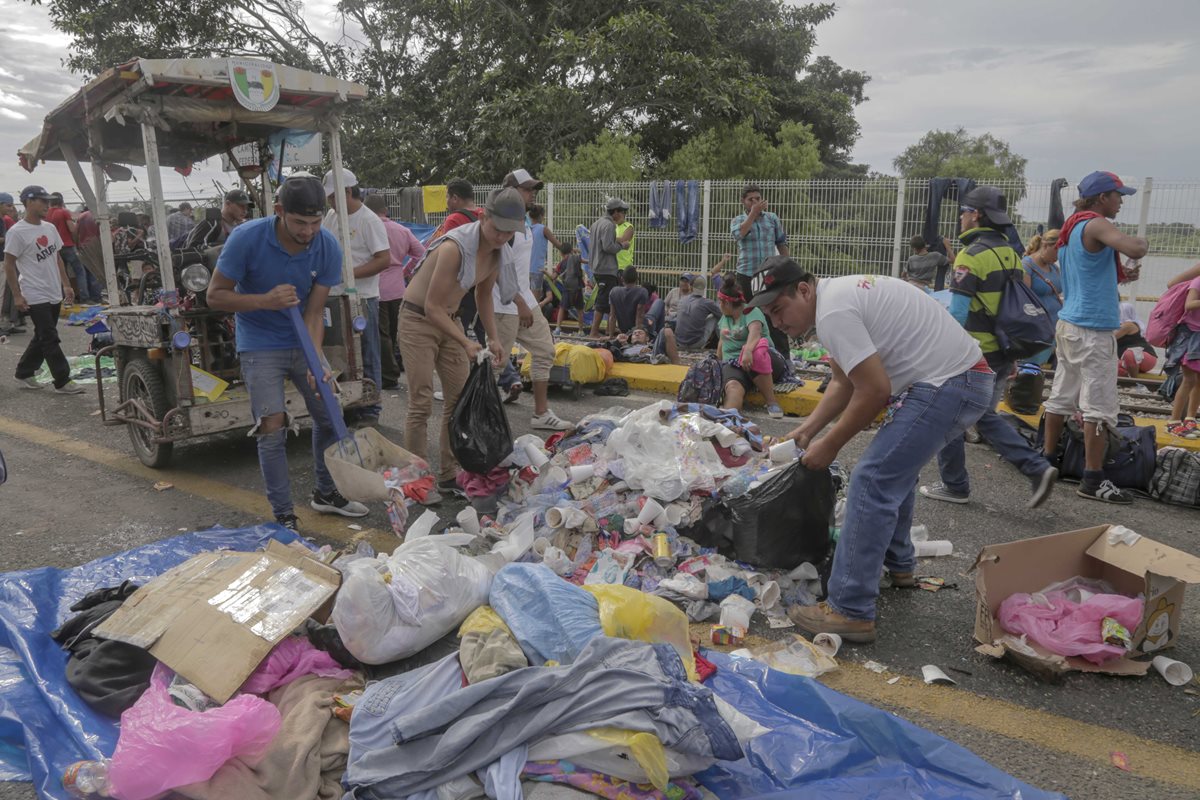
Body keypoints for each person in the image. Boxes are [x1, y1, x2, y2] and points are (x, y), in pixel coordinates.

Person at [750, 258, 993, 642]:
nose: (777, 322)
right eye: (769, 315)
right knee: (896, 471)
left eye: (778, 310)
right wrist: (808, 430)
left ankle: (850, 609)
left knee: (872, 479)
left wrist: (829, 445)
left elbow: (874, 391)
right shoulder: (834, 301)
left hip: (948, 383)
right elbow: (843, 383)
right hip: (963, 379)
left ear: (803, 290)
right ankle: (900, 564)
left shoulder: (833, 313)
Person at [206, 174, 368, 530]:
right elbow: (215, 296)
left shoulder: (327, 247)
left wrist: (315, 360)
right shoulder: (246, 238)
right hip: (259, 343)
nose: (308, 232)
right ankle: (283, 515)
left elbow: (314, 312)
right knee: (272, 425)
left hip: (302, 339)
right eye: (299, 223)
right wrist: (264, 300)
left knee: (329, 412)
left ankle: (326, 494)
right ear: (279, 211)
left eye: (314, 222)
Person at [919, 186, 1058, 508]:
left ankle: (1032, 467)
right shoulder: (1011, 253)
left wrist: (941, 350)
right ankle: (955, 483)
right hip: (1002, 350)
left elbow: (958, 313)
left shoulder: (971, 255)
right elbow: (1010, 306)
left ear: (976, 215)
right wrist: (1010, 356)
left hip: (973, 351)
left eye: (964, 211)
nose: (961, 217)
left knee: (967, 413)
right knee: (962, 415)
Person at [397, 188, 520, 493]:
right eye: (497, 229)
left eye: (509, 232)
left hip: (449, 322)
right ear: (483, 216)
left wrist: (493, 338)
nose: (502, 237)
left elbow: (482, 296)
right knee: (421, 402)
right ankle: (417, 480)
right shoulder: (455, 248)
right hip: (418, 319)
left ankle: (448, 474)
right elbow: (431, 307)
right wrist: (466, 342)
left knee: (458, 400)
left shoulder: (496, 253)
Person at [1040, 171, 1149, 504]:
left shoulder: (1073, 226)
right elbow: (1136, 247)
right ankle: (1093, 478)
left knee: (1061, 395)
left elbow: (1087, 270)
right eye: (1119, 196)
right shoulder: (1096, 222)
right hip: (1093, 329)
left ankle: (1046, 462)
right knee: (1098, 407)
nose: (1121, 202)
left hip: (1070, 323)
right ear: (1102, 197)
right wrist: (1142, 243)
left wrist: (1121, 275)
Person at [493, 169, 573, 431]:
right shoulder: (502, 223)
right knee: (496, 364)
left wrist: (524, 300)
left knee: (545, 352)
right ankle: (475, 413)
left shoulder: (525, 223)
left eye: (533, 189)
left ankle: (541, 414)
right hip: (502, 305)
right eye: (527, 189)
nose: (532, 193)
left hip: (523, 300)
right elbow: (494, 271)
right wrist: (518, 302)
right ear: (510, 191)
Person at [323, 169, 390, 427]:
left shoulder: (368, 220)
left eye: (332, 197)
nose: (330, 203)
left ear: (348, 192)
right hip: (333, 297)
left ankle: (370, 409)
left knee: (367, 354)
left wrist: (347, 275)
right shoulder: (331, 216)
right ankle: (349, 405)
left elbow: (384, 259)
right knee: (340, 355)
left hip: (362, 298)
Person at [4, 185, 83, 394]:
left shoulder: (49, 228)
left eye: (48, 201)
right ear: (29, 202)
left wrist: (66, 284)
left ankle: (24, 372)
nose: (47, 205)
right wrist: (18, 295)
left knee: (42, 335)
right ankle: (63, 380)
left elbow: (57, 258)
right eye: (42, 201)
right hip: (33, 292)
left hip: (53, 290)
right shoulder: (17, 232)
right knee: (49, 337)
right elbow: (9, 264)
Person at [365, 193, 427, 390]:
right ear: (386, 210)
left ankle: (389, 375)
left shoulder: (367, 228)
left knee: (381, 333)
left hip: (375, 287)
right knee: (394, 332)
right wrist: (405, 271)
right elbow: (422, 255)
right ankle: (397, 366)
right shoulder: (402, 230)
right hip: (398, 288)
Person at [730, 184, 790, 354]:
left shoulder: (772, 218)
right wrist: (753, 214)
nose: (755, 202)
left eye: (758, 198)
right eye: (751, 200)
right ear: (743, 202)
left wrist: (785, 266)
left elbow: (781, 242)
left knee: (775, 314)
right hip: (747, 275)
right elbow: (739, 234)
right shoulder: (738, 220)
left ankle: (783, 357)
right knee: (749, 315)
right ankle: (749, 353)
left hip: (768, 274)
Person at [716, 286, 785, 418]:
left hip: (764, 359)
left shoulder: (751, 311)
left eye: (720, 301)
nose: (719, 305)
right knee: (733, 387)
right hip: (735, 363)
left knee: (756, 354)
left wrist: (747, 350)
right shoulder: (725, 318)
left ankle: (771, 402)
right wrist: (717, 361)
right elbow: (722, 341)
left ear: (727, 303)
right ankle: (728, 420)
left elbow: (755, 333)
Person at [587, 198, 634, 337]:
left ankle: (609, 331)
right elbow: (608, 247)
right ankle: (594, 332)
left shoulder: (596, 224)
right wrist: (622, 246)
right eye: (621, 211)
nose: (622, 214)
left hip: (597, 266)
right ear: (614, 212)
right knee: (602, 301)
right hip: (606, 268)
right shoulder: (609, 225)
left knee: (607, 300)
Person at [1020, 229, 1063, 365]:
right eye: (1057, 250)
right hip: (1037, 330)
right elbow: (1024, 300)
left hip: (1054, 328)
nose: (1059, 255)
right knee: (1032, 367)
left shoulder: (1054, 268)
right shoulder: (1027, 266)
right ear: (1045, 246)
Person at [46, 192, 97, 303]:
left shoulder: (46, 214)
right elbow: (72, 229)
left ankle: (63, 298)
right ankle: (84, 297)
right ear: (61, 201)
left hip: (54, 248)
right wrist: (76, 242)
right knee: (80, 271)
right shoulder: (64, 212)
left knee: (60, 273)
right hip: (68, 246)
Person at [657, 288, 722, 364]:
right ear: (704, 289)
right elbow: (721, 315)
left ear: (691, 288)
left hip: (680, 342)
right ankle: (723, 344)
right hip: (696, 343)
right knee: (714, 317)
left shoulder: (682, 300)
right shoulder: (708, 302)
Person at [185, 189, 250, 250]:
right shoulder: (212, 224)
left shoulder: (242, 226)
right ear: (228, 204)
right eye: (241, 206)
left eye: (246, 207)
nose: (245, 211)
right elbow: (192, 250)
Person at [0, 191, 26, 335]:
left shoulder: (3, 220)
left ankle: (7, 323)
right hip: (1, 261)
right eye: (8, 205)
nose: (11, 208)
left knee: (5, 294)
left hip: (4, 260)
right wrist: (8, 238)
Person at [527, 204, 564, 301]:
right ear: (541, 216)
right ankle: (535, 316)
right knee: (535, 301)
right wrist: (571, 249)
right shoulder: (543, 229)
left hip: (525, 268)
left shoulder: (527, 229)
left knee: (526, 298)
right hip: (537, 269)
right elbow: (558, 245)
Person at [553, 241, 588, 335]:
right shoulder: (576, 258)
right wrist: (577, 251)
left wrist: (544, 272)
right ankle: (581, 331)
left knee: (562, 308)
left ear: (561, 253)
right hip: (578, 288)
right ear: (571, 250)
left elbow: (553, 277)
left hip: (567, 289)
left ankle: (558, 328)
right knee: (580, 309)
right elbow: (586, 261)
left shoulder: (561, 264)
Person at [1116, 301, 1157, 378]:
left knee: (1129, 353)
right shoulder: (1118, 326)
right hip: (1129, 362)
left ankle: (1134, 382)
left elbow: (1110, 337)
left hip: (1145, 358)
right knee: (1111, 367)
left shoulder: (1129, 325)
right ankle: (1126, 381)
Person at [606, 267, 650, 335]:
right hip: (640, 329)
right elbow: (640, 315)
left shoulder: (614, 291)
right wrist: (636, 335)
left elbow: (612, 316)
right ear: (637, 279)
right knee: (659, 303)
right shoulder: (642, 291)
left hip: (624, 330)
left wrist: (610, 336)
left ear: (622, 279)